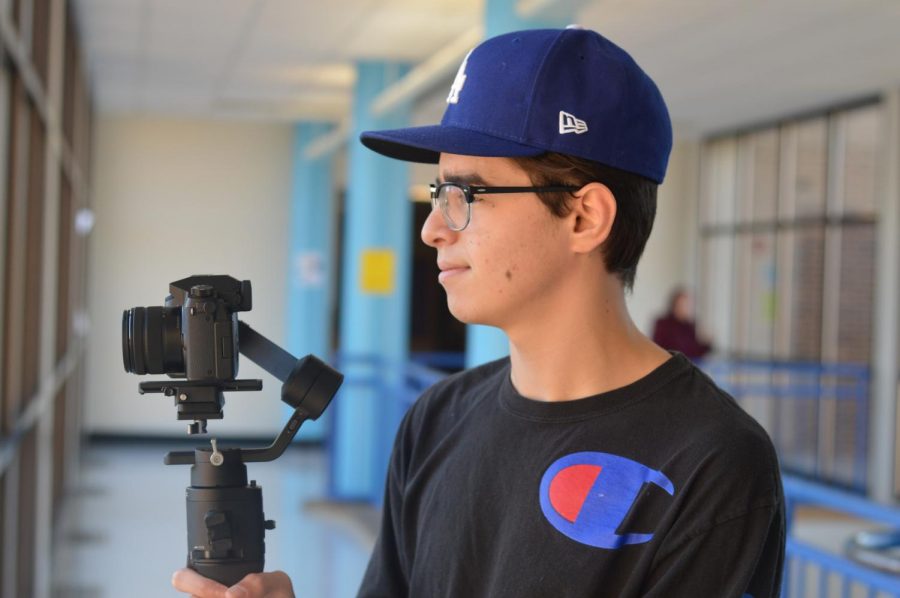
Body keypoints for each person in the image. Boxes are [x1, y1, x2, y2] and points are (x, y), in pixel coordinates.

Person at [173, 26, 784, 598]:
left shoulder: (713, 461)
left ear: (583, 217)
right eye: (438, 193)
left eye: (467, 194)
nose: (434, 229)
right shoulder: (436, 420)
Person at [652, 287, 713, 360]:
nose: (686, 308)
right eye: (683, 304)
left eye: (688, 305)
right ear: (674, 305)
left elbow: (695, 351)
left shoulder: (689, 325)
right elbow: (677, 350)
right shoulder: (663, 323)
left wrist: (707, 343)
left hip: (687, 364)